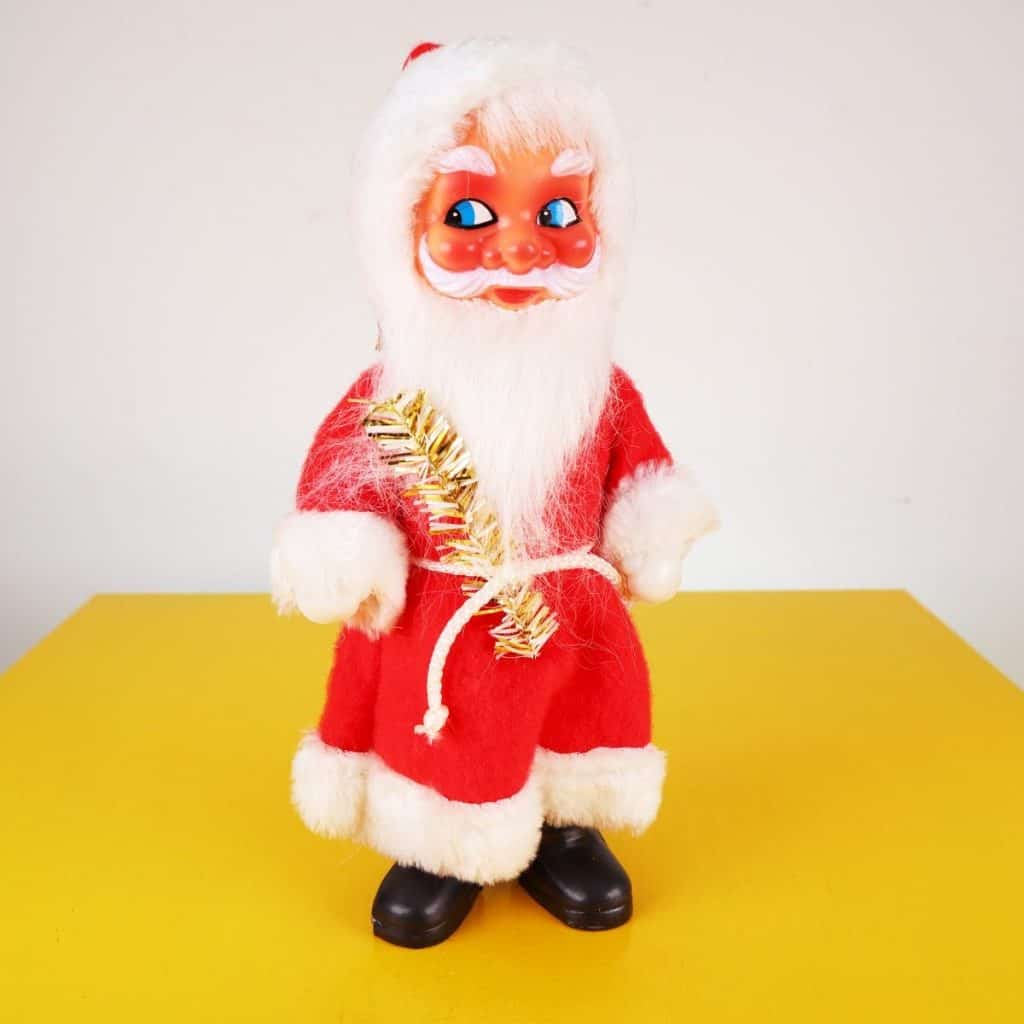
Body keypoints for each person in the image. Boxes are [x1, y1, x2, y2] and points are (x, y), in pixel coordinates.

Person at [272, 37, 717, 948]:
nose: (519, 245)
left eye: (557, 210)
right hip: (443, 617)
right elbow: (340, 484)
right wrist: (345, 552)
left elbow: (641, 474)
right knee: (443, 735)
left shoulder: (598, 389)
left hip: (571, 616)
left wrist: (650, 531)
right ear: (403, 230)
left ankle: (564, 824)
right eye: (471, 211)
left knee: (583, 716)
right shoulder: (391, 398)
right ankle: (436, 841)